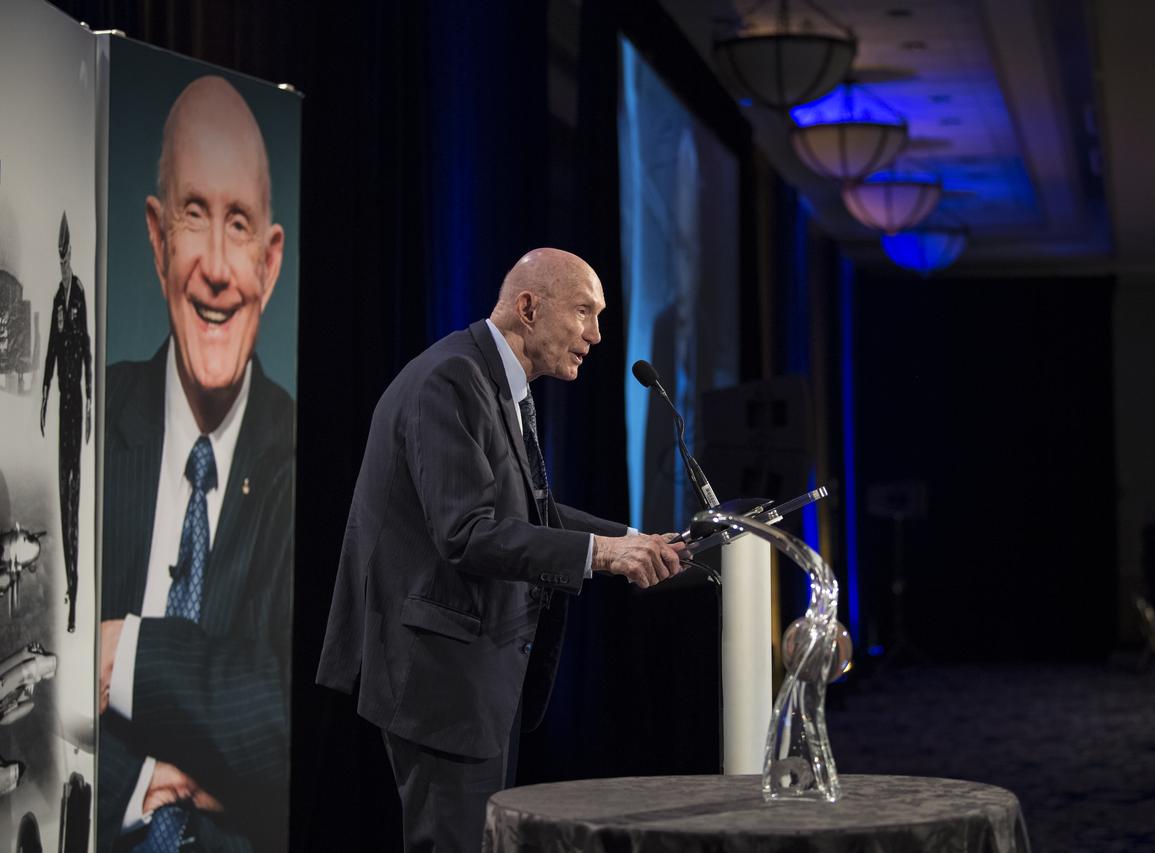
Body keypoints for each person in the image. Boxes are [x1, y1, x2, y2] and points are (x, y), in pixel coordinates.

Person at [316, 248, 686, 853]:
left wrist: (628, 540)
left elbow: (526, 512)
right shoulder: (450, 379)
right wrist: (600, 554)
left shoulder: (495, 381)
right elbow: (467, 531)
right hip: (440, 681)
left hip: (475, 680)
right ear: (529, 307)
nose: (596, 335)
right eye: (585, 313)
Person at [96, 75, 292, 853]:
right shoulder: (84, 422)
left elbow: (286, 722)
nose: (215, 267)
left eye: (238, 223)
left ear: (271, 262)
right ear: (155, 237)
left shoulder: (305, 457)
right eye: (193, 215)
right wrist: (143, 782)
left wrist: (119, 651)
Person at [40, 211, 91, 633]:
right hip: (62, 404)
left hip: (76, 401)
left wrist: (90, 402)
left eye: (65, 254)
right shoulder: (58, 300)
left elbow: (85, 348)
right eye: (59, 256)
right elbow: (52, 352)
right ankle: (72, 593)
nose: (63, 262)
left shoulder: (79, 296)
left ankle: (75, 597)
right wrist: (42, 396)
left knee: (74, 498)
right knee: (63, 491)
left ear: (72, 253)